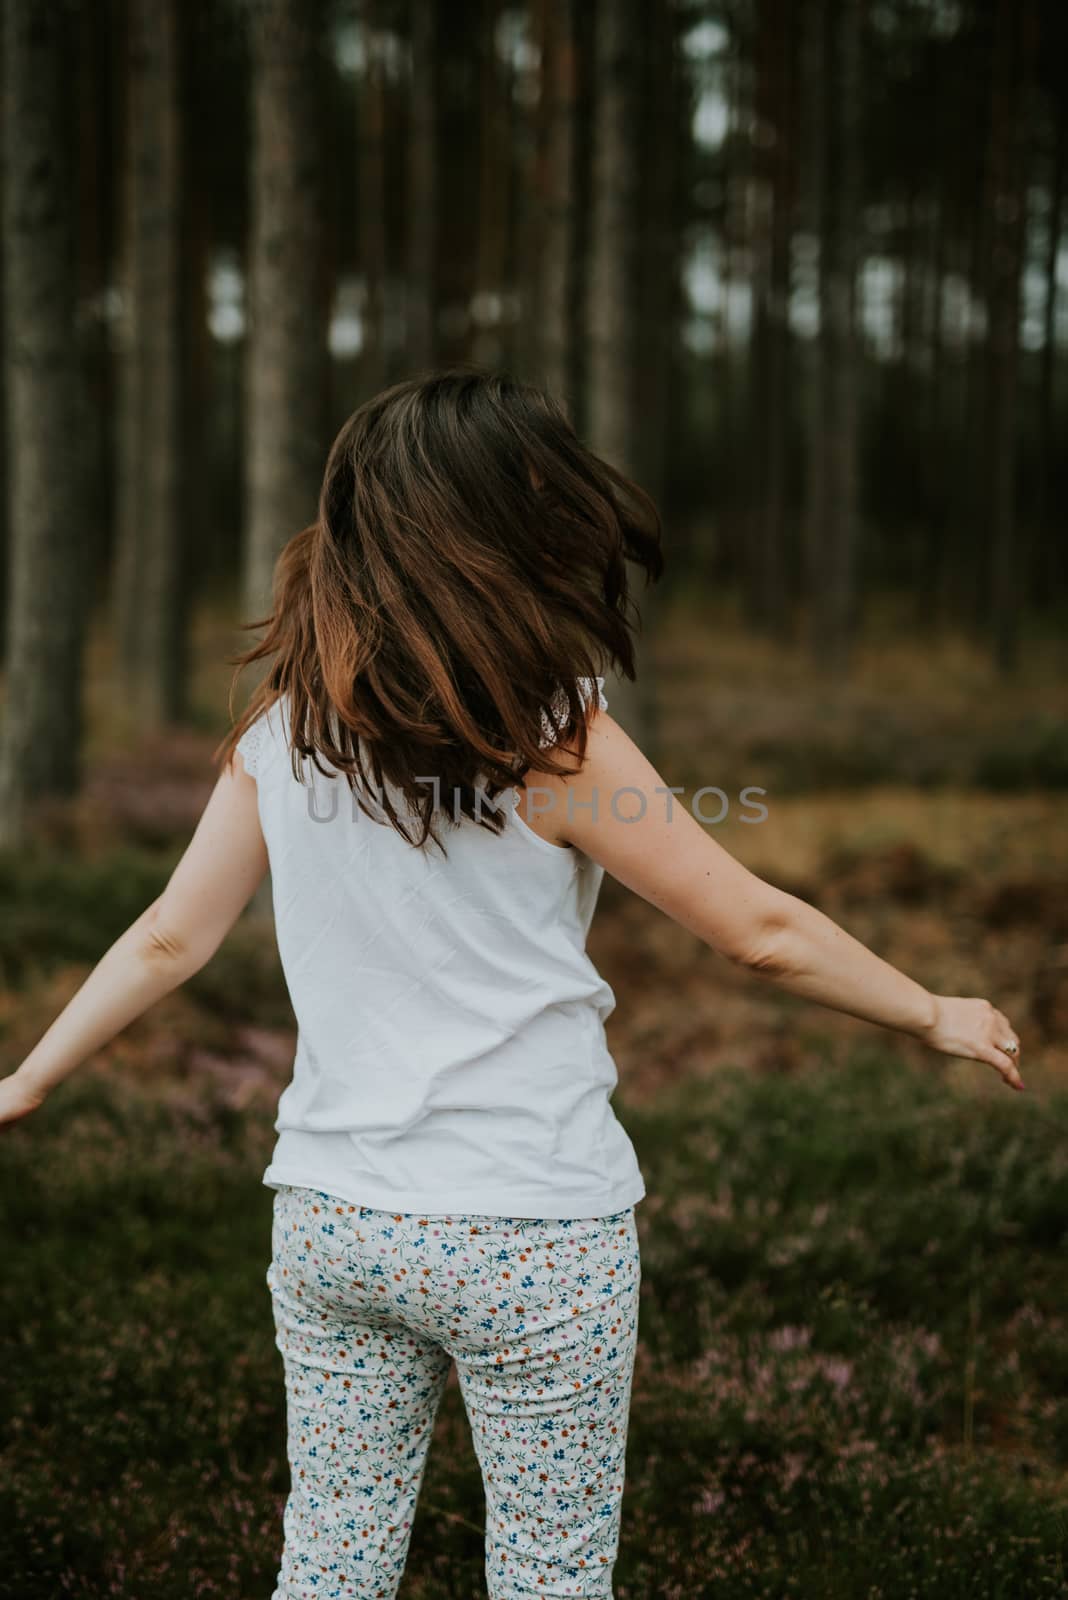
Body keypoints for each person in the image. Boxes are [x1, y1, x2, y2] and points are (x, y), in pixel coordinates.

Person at [0, 368, 1023, 1600]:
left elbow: (171, 935)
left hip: (334, 1219)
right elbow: (753, 929)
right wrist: (934, 1009)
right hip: (532, 1225)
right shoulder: (559, 740)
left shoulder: (286, 729)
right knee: (549, 1577)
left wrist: (29, 1075)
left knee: (329, 1563)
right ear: (501, 527)